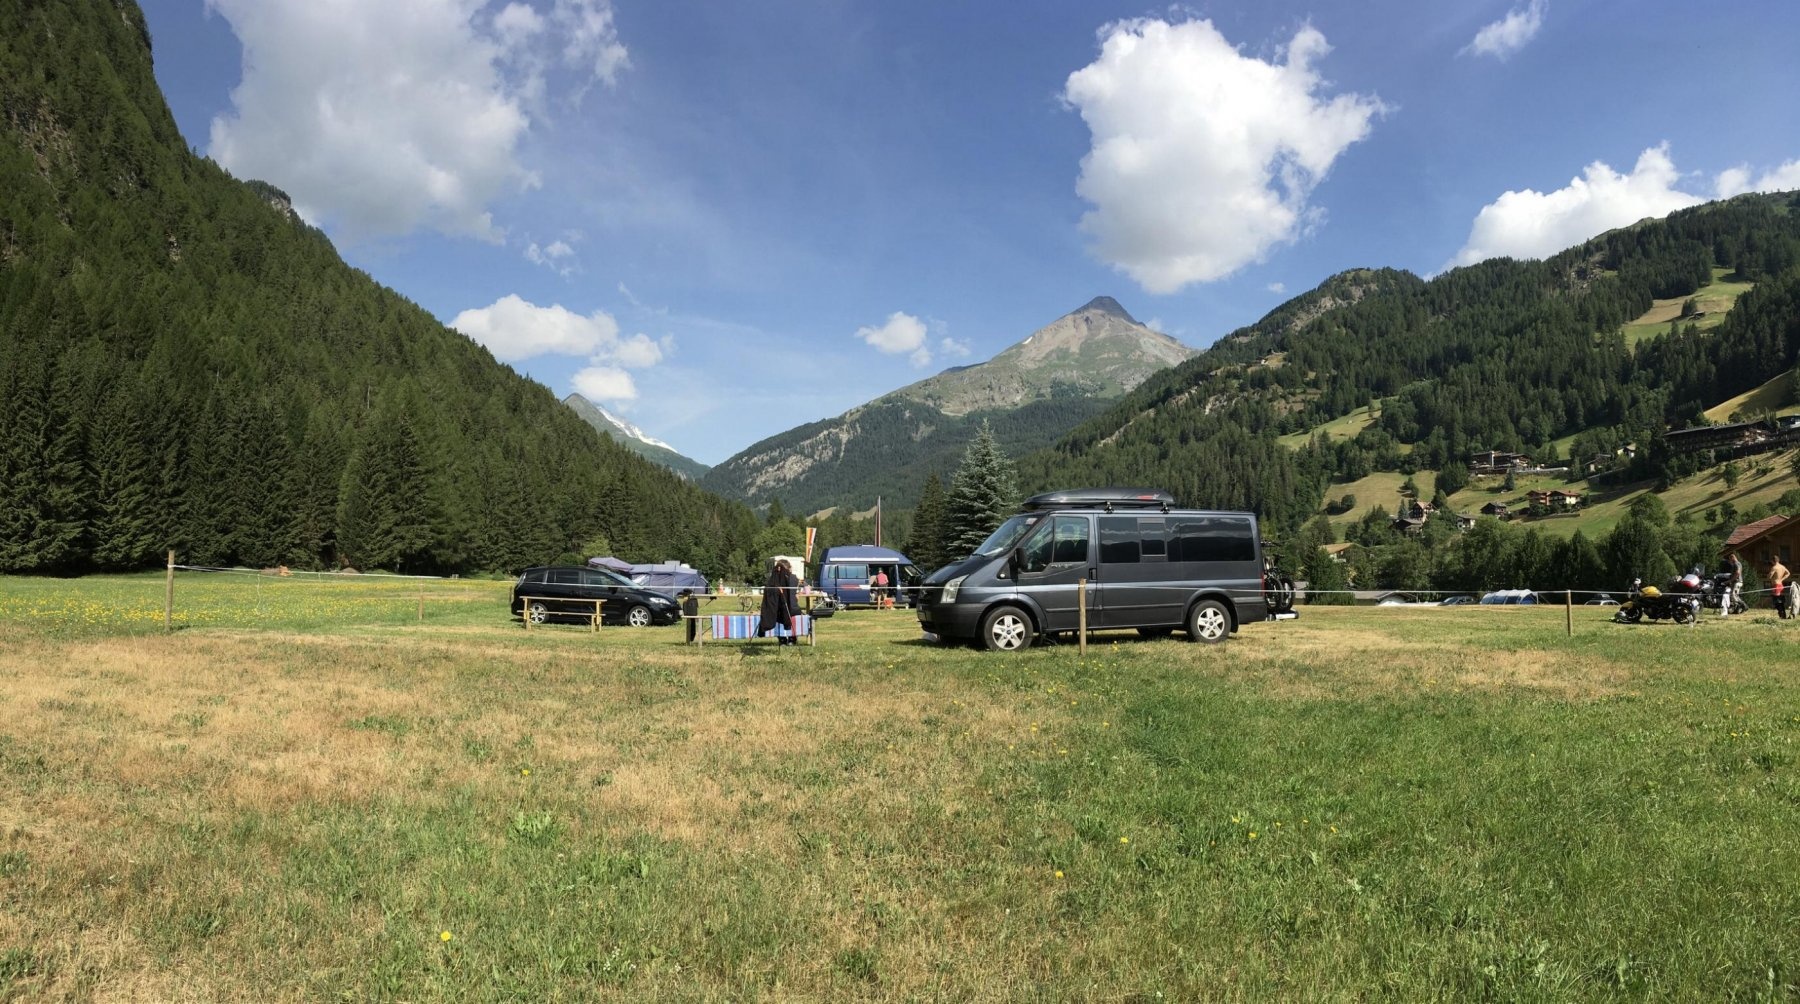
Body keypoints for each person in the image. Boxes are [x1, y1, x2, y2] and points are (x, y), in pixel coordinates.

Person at [757, 558, 801, 645]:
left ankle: (782, 638)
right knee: (793, 612)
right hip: (792, 609)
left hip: (778, 609)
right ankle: (792, 638)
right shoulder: (794, 578)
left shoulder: (772, 580)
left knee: (777, 614)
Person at [1769, 554, 1793, 619]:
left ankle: (1782, 615)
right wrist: (1782, 579)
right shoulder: (1782, 567)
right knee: (1781, 601)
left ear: (1773, 561)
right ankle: (1783, 615)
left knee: (1777, 601)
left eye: (1771, 561)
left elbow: (1769, 576)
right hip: (1781, 585)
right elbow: (1788, 573)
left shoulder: (1774, 567)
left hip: (1776, 585)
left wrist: (1769, 576)